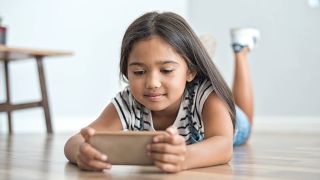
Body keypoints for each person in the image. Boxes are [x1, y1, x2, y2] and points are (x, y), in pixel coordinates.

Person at [64, 11, 260, 173]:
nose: (152, 83)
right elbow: (75, 141)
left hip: (233, 124)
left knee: (243, 121)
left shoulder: (207, 94)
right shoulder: (128, 101)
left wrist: (184, 158)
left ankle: (241, 51)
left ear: (191, 72)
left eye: (166, 70)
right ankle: (196, 53)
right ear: (126, 72)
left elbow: (223, 146)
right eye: (139, 72)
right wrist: (82, 152)